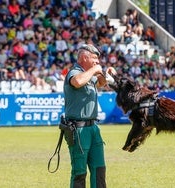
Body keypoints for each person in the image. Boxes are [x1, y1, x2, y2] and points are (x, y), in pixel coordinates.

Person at [63, 44, 116, 188]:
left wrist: (104, 73)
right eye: (94, 58)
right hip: (79, 130)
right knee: (80, 172)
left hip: (93, 128)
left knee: (99, 169)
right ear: (84, 57)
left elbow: (101, 84)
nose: (97, 62)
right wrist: (95, 70)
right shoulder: (74, 72)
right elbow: (78, 82)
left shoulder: (89, 73)